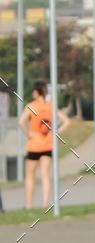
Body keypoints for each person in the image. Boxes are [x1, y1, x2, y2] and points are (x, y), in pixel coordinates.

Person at [18, 81, 69, 209]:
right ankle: (45, 204)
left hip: (34, 145)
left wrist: (28, 134)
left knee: (30, 175)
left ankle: (28, 205)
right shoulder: (50, 106)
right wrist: (55, 133)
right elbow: (67, 121)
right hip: (47, 145)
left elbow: (20, 122)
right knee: (45, 175)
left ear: (36, 92)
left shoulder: (31, 106)